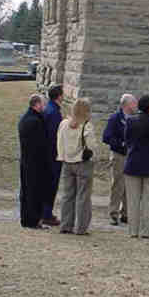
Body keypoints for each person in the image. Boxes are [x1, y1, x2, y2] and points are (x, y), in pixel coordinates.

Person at [124, 95, 149, 239]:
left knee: (133, 200)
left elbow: (127, 140)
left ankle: (133, 231)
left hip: (133, 162)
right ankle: (147, 231)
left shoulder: (130, 121)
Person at [56, 98, 97, 235]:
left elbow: (59, 142)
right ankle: (81, 227)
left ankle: (66, 224)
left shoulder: (64, 124)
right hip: (83, 163)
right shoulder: (86, 126)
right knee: (83, 196)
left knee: (68, 195)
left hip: (67, 162)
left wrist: (62, 156)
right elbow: (91, 146)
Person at [18, 93, 52, 229]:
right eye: (43, 103)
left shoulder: (25, 118)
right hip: (35, 163)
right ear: (37, 104)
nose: (44, 106)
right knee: (34, 192)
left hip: (26, 161)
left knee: (26, 191)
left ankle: (26, 219)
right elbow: (41, 144)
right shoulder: (35, 121)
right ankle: (33, 220)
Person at [102, 94, 137, 226]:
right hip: (119, 155)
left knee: (130, 184)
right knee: (118, 184)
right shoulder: (115, 118)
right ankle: (113, 213)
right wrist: (121, 144)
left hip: (132, 155)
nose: (136, 106)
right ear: (126, 105)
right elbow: (106, 137)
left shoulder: (135, 118)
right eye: (134, 103)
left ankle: (126, 213)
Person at [42, 84, 64, 226]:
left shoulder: (48, 109)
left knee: (47, 184)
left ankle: (45, 212)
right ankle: (47, 214)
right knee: (51, 185)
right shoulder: (54, 112)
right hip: (52, 155)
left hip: (47, 153)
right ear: (59, 96)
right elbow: (55, 136)